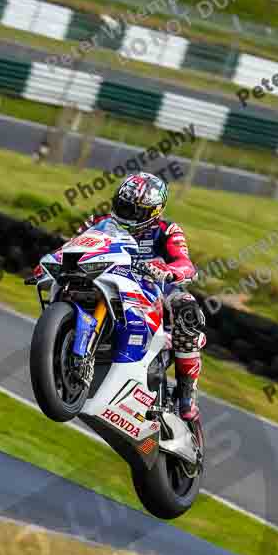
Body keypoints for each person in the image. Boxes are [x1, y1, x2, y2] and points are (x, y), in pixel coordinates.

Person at [36, 172, 206, 421]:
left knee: (187, 309)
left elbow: (185, 264)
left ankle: (186, 393)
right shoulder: (99, 220)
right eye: (122, 206)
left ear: (153, 212)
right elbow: (73, 245)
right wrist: (51, 261)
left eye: (134, 210)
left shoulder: (167, 230)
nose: (126, 214)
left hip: (151, 285)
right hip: (106, 275)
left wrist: (168, 271)